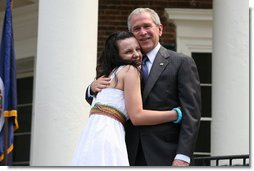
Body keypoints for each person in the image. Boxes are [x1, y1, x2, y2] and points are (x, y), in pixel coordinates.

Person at [86, 8, 201, 166]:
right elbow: (107, 102)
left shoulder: (181, 62)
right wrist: (91, 89)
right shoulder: (120, 64)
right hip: (126, 151)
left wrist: (183, 155)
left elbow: (191, 114)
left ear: (159, 29)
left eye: (147, 26)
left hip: (166, 154)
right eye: (136, 29)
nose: (142, 32)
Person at [72, 31, 182, 166]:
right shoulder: (130, 70)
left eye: (137, 49)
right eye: (128, 52)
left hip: (91, 133)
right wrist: (175, 114)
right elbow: (137, 116)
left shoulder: (111, 73)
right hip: (109, 133)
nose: (136, 54)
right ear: (117, 55)